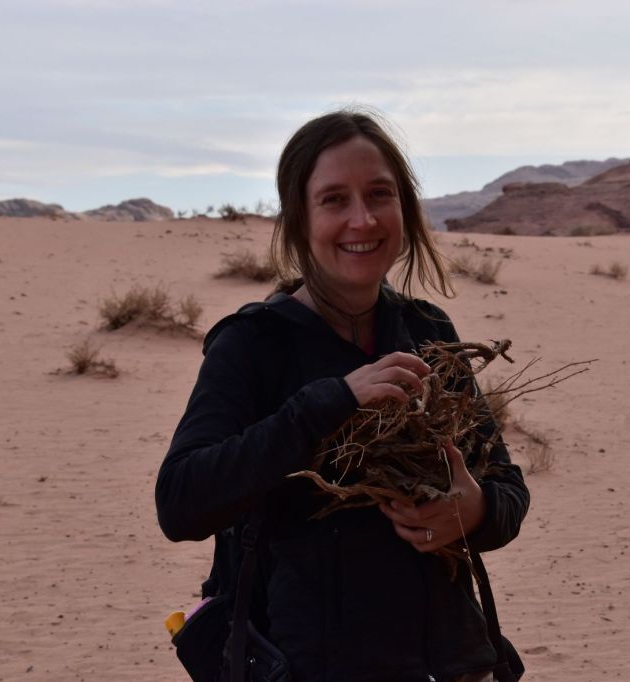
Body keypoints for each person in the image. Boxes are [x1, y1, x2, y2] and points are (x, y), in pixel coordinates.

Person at [156, 109, 530, 682]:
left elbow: (506, 491)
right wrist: (331, 403)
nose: (363, 219)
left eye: (380, 194)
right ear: (300, 219)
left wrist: (471, 511)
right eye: (334, 199)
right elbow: (181, 502)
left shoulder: (428, 333)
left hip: (449, 665)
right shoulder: (254, 344)